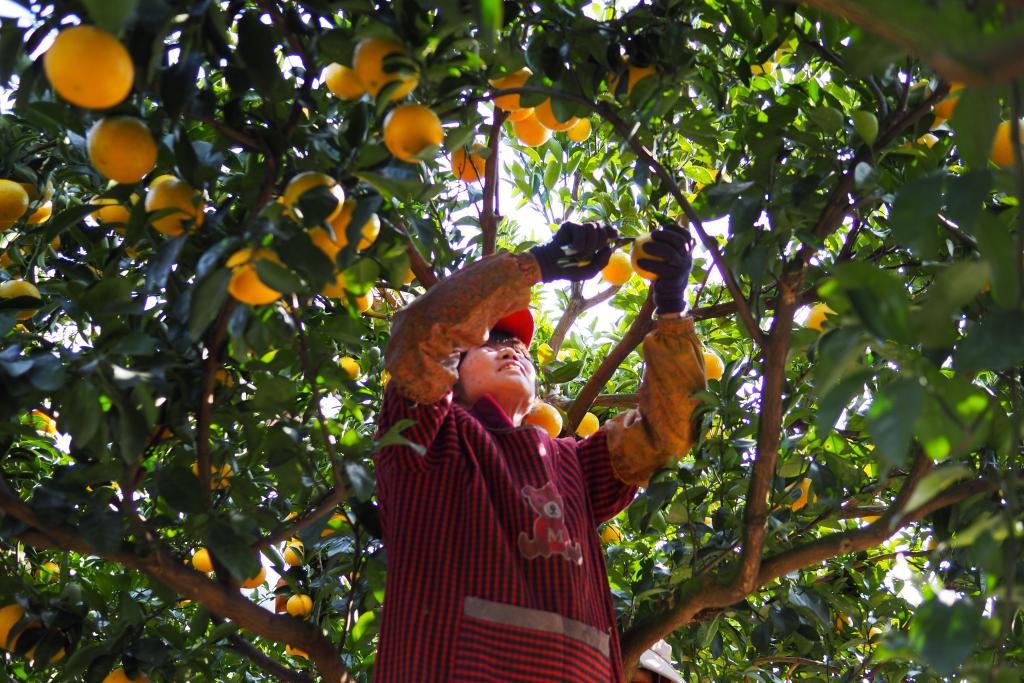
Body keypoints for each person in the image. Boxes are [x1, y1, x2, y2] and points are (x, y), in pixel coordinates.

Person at [373, 221, 706, 682]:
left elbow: (664, 435)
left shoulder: (574, 464)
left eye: (521, 350)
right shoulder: (428, 436)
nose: (512, 352)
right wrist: (540, 264)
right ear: (450, 369)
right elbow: (423, 335)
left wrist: (671, 309)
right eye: (490, 344)